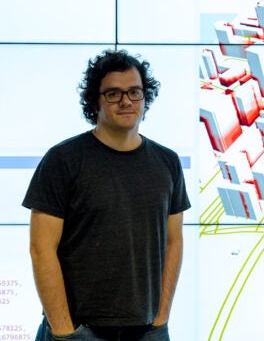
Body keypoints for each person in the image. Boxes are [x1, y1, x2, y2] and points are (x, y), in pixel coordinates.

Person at [22, 49, 191, 341]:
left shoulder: (168, 162)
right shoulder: (63, 160)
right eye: (113, 93)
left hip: (148, 331)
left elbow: (173, 241)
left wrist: (161, 318)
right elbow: (41, 249)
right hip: (78, 331)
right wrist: (65, 332)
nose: (126, 101)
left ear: (145, 97)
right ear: (94, 102)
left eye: (134, 92)